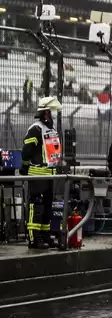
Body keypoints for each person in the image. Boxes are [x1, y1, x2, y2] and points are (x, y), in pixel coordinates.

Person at [21, 96, 62, 249]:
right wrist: (24, 167)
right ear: (45, 113)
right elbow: (26, 152)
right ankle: (34, 239)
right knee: (35, 206)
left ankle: (45, 236)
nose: (51, 115)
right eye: (50, 112)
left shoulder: (51, 130)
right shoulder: (35, 129)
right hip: (37, 175)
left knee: (47, 207)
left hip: (50, 175)